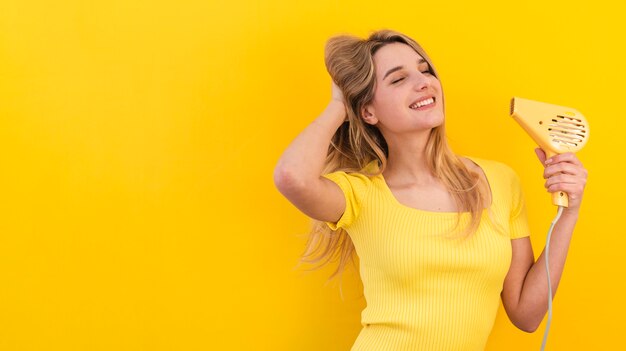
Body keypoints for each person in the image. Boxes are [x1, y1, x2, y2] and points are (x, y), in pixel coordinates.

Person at [273, 29, 587, 350]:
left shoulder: (500, 180)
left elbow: (527, 314)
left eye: (425, 70)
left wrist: (569, 213)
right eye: (398, 79)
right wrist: (340, 104)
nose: (424, 82)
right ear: (369, 111)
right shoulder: (359, 193)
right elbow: (291, 177)